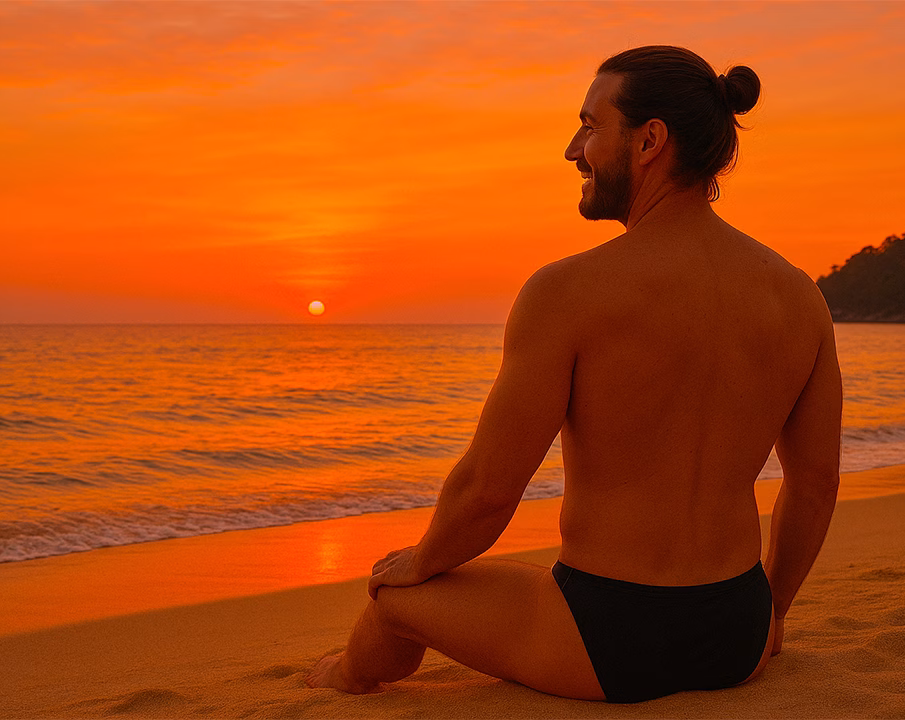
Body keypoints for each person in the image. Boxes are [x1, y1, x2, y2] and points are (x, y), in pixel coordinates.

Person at [306, 45, 841, 703]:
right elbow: (814, 484)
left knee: (392, 595)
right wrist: (773, 613)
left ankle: (347, 676)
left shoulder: (568, 293)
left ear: (649, 141)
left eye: (591, 125)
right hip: (737, 632)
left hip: (608, 639)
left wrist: (420, 562)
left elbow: (488, 492)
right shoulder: (797, 295)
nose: (573, 148)